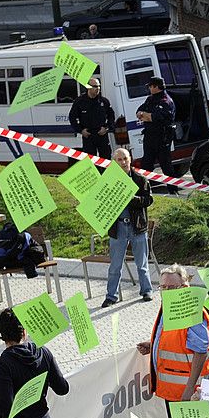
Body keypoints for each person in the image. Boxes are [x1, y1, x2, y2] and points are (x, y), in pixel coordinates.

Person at [138, 265, 209, 418]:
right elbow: (177, 342)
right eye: (164, 287)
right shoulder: (172, 307)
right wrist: (153, 346)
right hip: (174, 388)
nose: (168, 291)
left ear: (185, 286)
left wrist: (190, 389)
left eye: (173, 287)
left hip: (188, 390)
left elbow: (201, 350)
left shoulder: (191, 308)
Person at [101, 147, 154, 307]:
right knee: (115, 265)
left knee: (142, 263)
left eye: (125, 158)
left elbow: (148, 200)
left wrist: (132, 198)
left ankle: (146, 291)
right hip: (118, 228)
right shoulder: (108, 180)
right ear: (114, 162)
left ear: (130, 159)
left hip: (137, 227)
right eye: (119, 159)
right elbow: (101, 202)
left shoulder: (140, 179)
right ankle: (111, 296)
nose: (123, 162)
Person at [136, 76, 176, 176]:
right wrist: (146, 116)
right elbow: (139, 112)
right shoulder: (150, 99)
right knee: (146, 164)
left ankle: (173, 190)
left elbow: (155, 117)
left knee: (166, 165)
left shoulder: (166, 101)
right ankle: (145, 189)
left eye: (150, 86)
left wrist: (147, 116)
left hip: (162, 137)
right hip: (149, 136)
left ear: (156, 87)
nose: (149, 88)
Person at [69, 77, 116, 160]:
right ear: (88, 87)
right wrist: (81, 130)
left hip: (102, 135)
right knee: (90, 161)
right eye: (95, 86)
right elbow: (72, 118)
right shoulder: (80, 101)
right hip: (88, 136)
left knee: (106, 160)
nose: (97, 88)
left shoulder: (104, 101)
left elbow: (111, 116)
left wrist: (107, 128)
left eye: (99, 86)